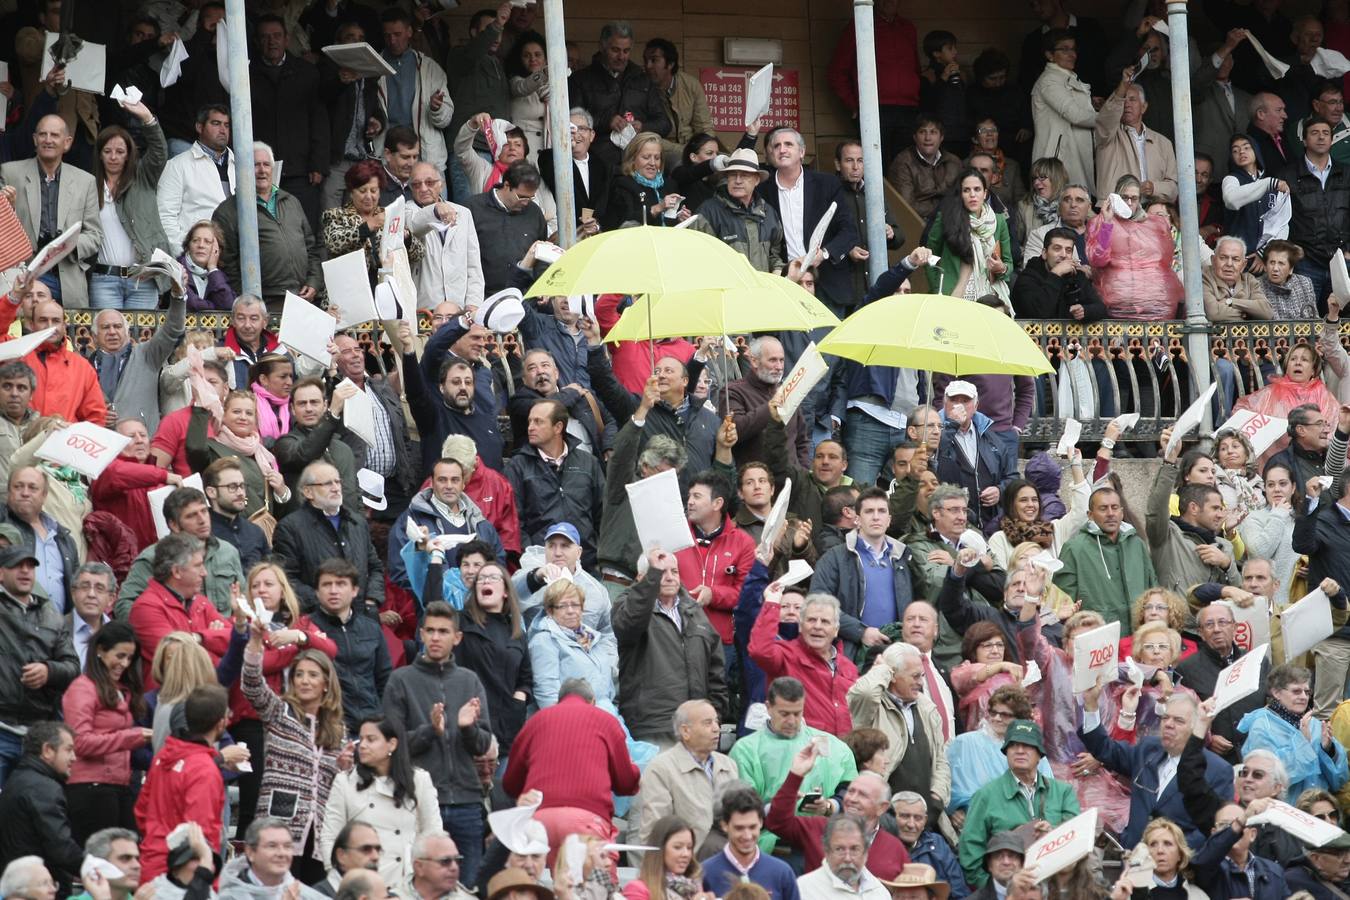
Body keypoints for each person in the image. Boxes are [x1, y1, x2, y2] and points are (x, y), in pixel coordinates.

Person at [381, 601, 493, 886]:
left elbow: (482, 745)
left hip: (467, 802)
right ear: (420, 634)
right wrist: (430, 731)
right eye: (429, 630)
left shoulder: (470, 681)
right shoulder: (400, 680)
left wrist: (467, 728)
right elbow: (391, 745)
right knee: (417, 887)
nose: (435, 637)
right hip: (418, 801)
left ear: (456, 638)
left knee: (467, 890)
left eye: (443, 631)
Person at [238, 615, 345, 883]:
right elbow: (251, 684)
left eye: (312, 675)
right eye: (299, 675)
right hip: (279, 832)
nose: (305, 681)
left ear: (326, 684)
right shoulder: (279, 712)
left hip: (319, 837)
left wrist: (346, 768)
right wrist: (254, 641)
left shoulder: (338, 731)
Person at [1079, 683, 1232, 849]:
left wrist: (1170, 852)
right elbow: (1105, 749)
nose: (1168, 724)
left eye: (1178, 721)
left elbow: (1215, 828)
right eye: (1165, 718)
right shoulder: (1148, 749)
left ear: (1196, 727)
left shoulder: (1218, 771)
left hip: (1178, 867)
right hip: (1133, 862)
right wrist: (1091, 704)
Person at [503, 678, 641, 844]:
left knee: (542, 869)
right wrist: (633, 767)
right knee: (597, 870)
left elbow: (511, 783)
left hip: (540, 819)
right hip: (588, 818)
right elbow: (626, 783)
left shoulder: (535, 721)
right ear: (593, 702)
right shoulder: (607, 721)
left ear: (558, 701)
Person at [612, 548, 728, 744]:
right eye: (660, 572)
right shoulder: (628, 604)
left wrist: (714, 715)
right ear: (643, 578)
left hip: (696, 726)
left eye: (674, 572)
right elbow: (628, 624)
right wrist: (652, 577)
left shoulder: (693, 610)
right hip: (653, 726)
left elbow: (715, 668)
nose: (668, 577)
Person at [730, 678, 859, 854]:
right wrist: (780, 804)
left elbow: (851, 790)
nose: (791, 721)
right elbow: (741, 808)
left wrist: (830, 806)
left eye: (797, 713)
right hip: (772, 845)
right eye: (784, 714)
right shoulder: (746, 750)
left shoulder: (832, 745)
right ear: (768, 707)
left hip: (822, 841)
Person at [320, 717, 440, 891]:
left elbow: (433, 832)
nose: (362, 745)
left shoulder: (419, 780)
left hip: (407, 885)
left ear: (392, 744)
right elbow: (330, 836)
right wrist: (339, 880)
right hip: (361, 885)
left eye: (371, 739)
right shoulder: (345, 782)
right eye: (361, 739)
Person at [956, 718, 1079, 887]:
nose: (1020, 750)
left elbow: (1075, 842)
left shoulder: (1063, 792)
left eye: (1027, 745)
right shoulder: (985, 796)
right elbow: (970, 850)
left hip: (1055, 888)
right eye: (1013, 745)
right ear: (1006, 752)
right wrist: (996, 890)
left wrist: (1052, 834)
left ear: (1039, 754)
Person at [60, 623, 150, 843]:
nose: (124, 664)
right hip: (90, 788)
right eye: (119, 656)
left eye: (129, 658)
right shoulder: (82, 688)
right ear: (100, 650)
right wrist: (134, 737)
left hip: (119, 785)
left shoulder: (122, 691)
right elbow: (80, 742)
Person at [765, 742, 909, 879]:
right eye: (851, 791)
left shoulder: (895, 848)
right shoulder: (818, 828)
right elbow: (776, 823)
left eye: (863, 795)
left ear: (882, 807)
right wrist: (795, 776)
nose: (852, 798)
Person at [755, 128, 858, 316]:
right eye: (776, 146)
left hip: (827, 283)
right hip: (786, 282)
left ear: (801, 152)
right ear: (770, 154)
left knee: (829, 343)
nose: (782, 150)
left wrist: (824, 254)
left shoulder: (826, 184)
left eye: (788, 144)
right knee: (792, 345)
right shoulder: (761, 191)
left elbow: (849, 231)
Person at [0, 115, 102, 306]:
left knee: (67, 335)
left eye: (54, 135)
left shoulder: (85, 181)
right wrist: (9, 208)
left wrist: (66, 245)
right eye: (43, 134)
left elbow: (95, 235)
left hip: (67, 276)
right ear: (34, 140)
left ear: (67, 142)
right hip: (23, 274)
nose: (48, 140)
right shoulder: (10, 172)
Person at [0, 542, 79, 784]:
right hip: (2, 728)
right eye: (17, 566)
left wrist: (49, 671)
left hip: (38, 733)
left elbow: (73, 667)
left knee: (30, 811)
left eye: (30, 566)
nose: (25, 572)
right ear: (1, 573)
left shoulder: (51, 614)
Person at [135, 684, 230, 882]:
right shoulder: (204, 769)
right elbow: (198, 834)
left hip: (152, 867)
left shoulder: (163, 756)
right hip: (183, 877)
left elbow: (141, 812)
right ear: (221, 723)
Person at [213, 142, 323, 307]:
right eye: (255, 165)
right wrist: (249, 302)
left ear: (273, 168)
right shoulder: (228, 211)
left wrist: (313, 281)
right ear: (243, 169)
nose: (262, 170)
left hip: (301, 299)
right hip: (263, 304)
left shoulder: (291, 202)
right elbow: (226, 264)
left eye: (266, 165)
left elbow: (311, 249)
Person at [90, 100, 173, 310]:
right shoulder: (88, 187)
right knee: (108, 339)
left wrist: (147, 118)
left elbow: (159, 152)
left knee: (142, 340)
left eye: (120, 151)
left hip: (142, 279)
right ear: (99, 154)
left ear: (129, 154)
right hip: (104, 279)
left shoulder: (142, 178)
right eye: (107, 151)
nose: (114, 156)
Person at [116, 485, 245, 619]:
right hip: (177, 635)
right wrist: (162, 627)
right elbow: (124, 606)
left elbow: (244, 598)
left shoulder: (227, 551)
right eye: (191, 516)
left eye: (204, 511)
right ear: (173, 525)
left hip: (224, 633)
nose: (202, 520)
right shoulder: (152, 558)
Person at [271, 461, 384, 610]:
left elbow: (375, 567)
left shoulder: (357, 523)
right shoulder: (290, 528)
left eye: (338, 482)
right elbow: (286, 578)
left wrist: (371, 600)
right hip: (316, 620)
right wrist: (327, 602)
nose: (336, 488)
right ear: (308, 492)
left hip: (361, 616)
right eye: (327, 484)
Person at [505, 400, 605, 565]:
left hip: (586, 564)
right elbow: (514, 521)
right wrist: (533, 559)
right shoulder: (517, 467)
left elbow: (603, 513)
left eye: (538, 422)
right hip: (541, 566)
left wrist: (597, 553)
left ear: (558, 427)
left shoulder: (588, 462)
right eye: (529, 421)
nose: (530, 427)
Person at [126, 532, 233, 683]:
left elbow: (235, 639)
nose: (205, 573)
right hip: (171, 700)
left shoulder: (200, 602)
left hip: (210, 694)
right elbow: (179, 660)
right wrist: (214, 639)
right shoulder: (146, 608)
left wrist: (200, 638)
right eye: (198, 566)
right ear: (176, 571)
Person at [638, 700, 739, 851]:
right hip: (686, 863)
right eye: (707, 723)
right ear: (685, 731)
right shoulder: (661, 768)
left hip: (728, 860)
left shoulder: (728, 765)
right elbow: (655, 831)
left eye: (716, 722)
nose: (716, 729)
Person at [1238, 663, 1348, 800]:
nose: (1304, 697)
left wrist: (1328, 749)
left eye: (1307, 692)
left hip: (1318, 811)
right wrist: (1303, 742)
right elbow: (1272, 779)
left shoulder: (1314, 724)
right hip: (1285, 812)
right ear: (1276, 693)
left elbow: (1340, 779)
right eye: (1296, 691)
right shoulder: (1261, 726)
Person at [1054, 485, 1157, 632]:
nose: (1110, 513)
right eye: (1103, 509)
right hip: (1098, 639)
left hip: (1138, 637)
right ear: (1090, 515)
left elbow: (1152, 586)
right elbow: (1063, 603)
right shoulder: (1074, 549)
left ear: (1122, 512)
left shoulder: (1137, 544)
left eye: (1115, 508)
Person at [568, 21, 671, 167]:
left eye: (626, 51)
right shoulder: (581, 80)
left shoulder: (642, 80)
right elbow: (570, 122)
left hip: (639, 157)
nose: (621, 56)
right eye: (615, 50)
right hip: (598, 159)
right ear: (602, 47)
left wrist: (642, 126)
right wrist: (607, 121)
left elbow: (664, 124)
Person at [308, 559, 392, 731]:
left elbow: (385, 678)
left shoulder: (371, 628)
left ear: (354, 590)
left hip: (373, 724)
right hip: (329, 727)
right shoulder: (307, 629)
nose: (333, 591)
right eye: (326, 584)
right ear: (317, 591)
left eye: (341, 584)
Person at [1087, 174, 1184, 319]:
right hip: (1118, 305)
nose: (1129, 202)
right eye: (1125, 197)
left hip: (1157, 304)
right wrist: (1107, 223)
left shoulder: (1155, 224)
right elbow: (1097, 260)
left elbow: (1167, 261)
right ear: (1116, 197)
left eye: (1134, 198)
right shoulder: (1100, 222)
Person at [186, 389, 293, 519]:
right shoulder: (211, 449)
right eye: (236, 412)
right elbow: (195, 448)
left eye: (249, 413)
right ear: (224, 415)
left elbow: (274, 511)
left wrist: (281, 492)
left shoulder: (263, 454)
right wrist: (200, 409)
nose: (243, 417)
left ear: (256, 419)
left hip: (262, 534)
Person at [0, 721, 81, 887]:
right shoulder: (43, 788)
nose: (74, 758)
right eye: (68, 749)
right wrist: (95, 870)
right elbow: (61, 848)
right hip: (36, 886)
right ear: (47, 750)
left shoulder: (18, 779)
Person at [375, 9, 452, 183]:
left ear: (409, 32)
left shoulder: (430, 68)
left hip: (426, 157)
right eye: (387, 35)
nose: (392, 40)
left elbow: (445, 119)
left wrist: (436, 108)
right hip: (387, 156)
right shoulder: (373, 66)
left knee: (435, 210)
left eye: (397, 34)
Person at [1285, 117, 1350, 304]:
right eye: (1314, 133)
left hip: (1343, 259)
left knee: (1342, 322)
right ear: (1304, 140)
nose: (1321, 137)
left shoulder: (1347, 173)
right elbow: (1279, 220)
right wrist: (1292, 249)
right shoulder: (1287, 175)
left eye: (1326, 133)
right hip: (1306, 260)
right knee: (1307, 322)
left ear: (1331, 139)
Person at [526, 576, 616, 708]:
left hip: (604, 715)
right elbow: (547, 693)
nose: (570, 611)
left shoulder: (592, 638)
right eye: (562, 606)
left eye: (575, 604)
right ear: (550, 611)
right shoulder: (544, 641)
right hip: (571, 720)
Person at [689, 149, 784, 273]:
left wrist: (777, 270)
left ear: (756, 180)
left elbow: (774, 256)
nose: (738, 180)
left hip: (761, 290)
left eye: (744, 175)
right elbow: (696, 259)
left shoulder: (769, 213)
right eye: (733, 174)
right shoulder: (708, 212)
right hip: (725, 290)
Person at [924, 168, 1011, 303]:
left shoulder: (999, 222)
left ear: (985, 193)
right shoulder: (946, 218)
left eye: (977, 189)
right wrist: (938, 288)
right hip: (954, 294)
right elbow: (930, 255)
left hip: (990, 295)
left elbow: (1008, 263)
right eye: (966, 190)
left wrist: (1002, 268)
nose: (972, 195)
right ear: (960, 195)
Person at [700, 789, 799, 900]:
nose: (747, 836)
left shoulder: (782, 873)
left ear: (761, 823)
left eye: (752, 827)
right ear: (725, 825)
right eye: (739, 828)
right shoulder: (705, 873)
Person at [158, 104, 233, 248]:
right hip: (196, 260)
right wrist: (187, 255)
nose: (223, 130)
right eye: (216, 124)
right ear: (199, 127)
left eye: (226, 125)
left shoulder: (242, 167)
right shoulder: (177, 166)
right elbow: (165, 218)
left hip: (234, 258)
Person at [1094, 75, 1179, 203]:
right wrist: (1122, 85)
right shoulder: (1107, 134)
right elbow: (1107, 117)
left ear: (1144, 107)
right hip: (1115, 211)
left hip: (1151, 211)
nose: (1127, 104)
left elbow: (1173, 189)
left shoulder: (1163, 143)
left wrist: (1154, 188)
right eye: (1123, 100)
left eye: (1132, 99)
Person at [1030, 31, 1097, 190]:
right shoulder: (1049, 80)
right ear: (1050, 55)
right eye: (1065, 49)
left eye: (1073, 49)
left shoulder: (1068, 76)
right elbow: (1076, 115)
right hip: (1057, 159)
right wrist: (1110, 117)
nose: (1072, 54)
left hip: (1074, 155)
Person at [22, 301, 107, 424]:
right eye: (43, 320)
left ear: (64, 326)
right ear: (31, 325)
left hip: (65, 441)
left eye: (56, 321)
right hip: (23, 441)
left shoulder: (82, 367)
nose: (50, 326)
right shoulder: (18, 358)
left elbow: (95, 417)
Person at [217, 817, 327, 900]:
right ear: (250, 852)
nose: (281, 853)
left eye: (287, 846)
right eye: (272, 846)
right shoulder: (229, 896)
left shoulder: (303, 894)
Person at [1011, 225, 1107, 320]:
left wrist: (1085, 311)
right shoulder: (1028, 277)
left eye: (1068, 250)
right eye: (1057, 249)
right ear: (1044, 253)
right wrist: (1056, 274)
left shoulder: (1077, 275)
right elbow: (1039, 312)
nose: (1063, 255)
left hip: (1070, 335)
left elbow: (1101, 308)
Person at [600, 131, 684, 230]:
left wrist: (680, 218)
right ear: (633, 159)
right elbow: (623, 224)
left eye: (657, 158)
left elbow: (672, 223)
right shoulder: (622, 185)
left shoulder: (670, 185)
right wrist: (655, 209)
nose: (652, 163)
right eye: (646, 157)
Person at [794, 814, 890, 900]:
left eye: (854, 849)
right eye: (839, 849)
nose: (847, 858)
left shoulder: (879, 892)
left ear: (865, 852)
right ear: (827, 851)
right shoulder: (804, 889)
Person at [889, 116, 962, 221]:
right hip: (918, 222)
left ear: (941, 137)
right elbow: (906, 206)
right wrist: (943, 209)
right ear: (915, 137)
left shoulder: (954, 162)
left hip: (951, 221)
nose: (928, 138)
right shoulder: (903, 163)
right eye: (922, 132)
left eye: (933, 132)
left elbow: (962, 197)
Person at [204, 458, 269, 570]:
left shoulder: (255, 531)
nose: (240, 493)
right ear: (211, 492)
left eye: (242, 486)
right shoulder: (202, 534)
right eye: (232, 487)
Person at [1204, 236, 1275, 321]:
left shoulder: (1249, 280)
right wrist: (1250, 314)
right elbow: (1213, 313)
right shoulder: (1204, 277)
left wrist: (1230, 302)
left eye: (1235, 259)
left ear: (1244, 265)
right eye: (1223, 258)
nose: (1229, 264)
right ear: (1213, 260)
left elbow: (1267, 312)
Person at [315, 821, 382, 899]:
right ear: (341, 856)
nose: (375, 857)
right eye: (366, 849)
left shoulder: (385, 896)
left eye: (378, 850)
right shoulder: (314, 896)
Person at [68, 562, 116, 670]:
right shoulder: (56, 627)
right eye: (85, 587)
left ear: (111, 599)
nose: (91, 594)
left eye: (99, 589)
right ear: (73, 593)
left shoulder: (118, 635)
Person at [406, 833, 476, 900]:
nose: (454, 867)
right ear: (419, 867)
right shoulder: (398, 895)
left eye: (457, 861)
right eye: (445, 861)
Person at [1259, 239, 1318, 318]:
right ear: (1265, 266)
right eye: (1272, 262)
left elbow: (1315, 320)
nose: (1275, 268)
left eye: (1281, 263)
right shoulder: (1255, 286)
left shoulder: (1304, 283)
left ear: (1291, 269)